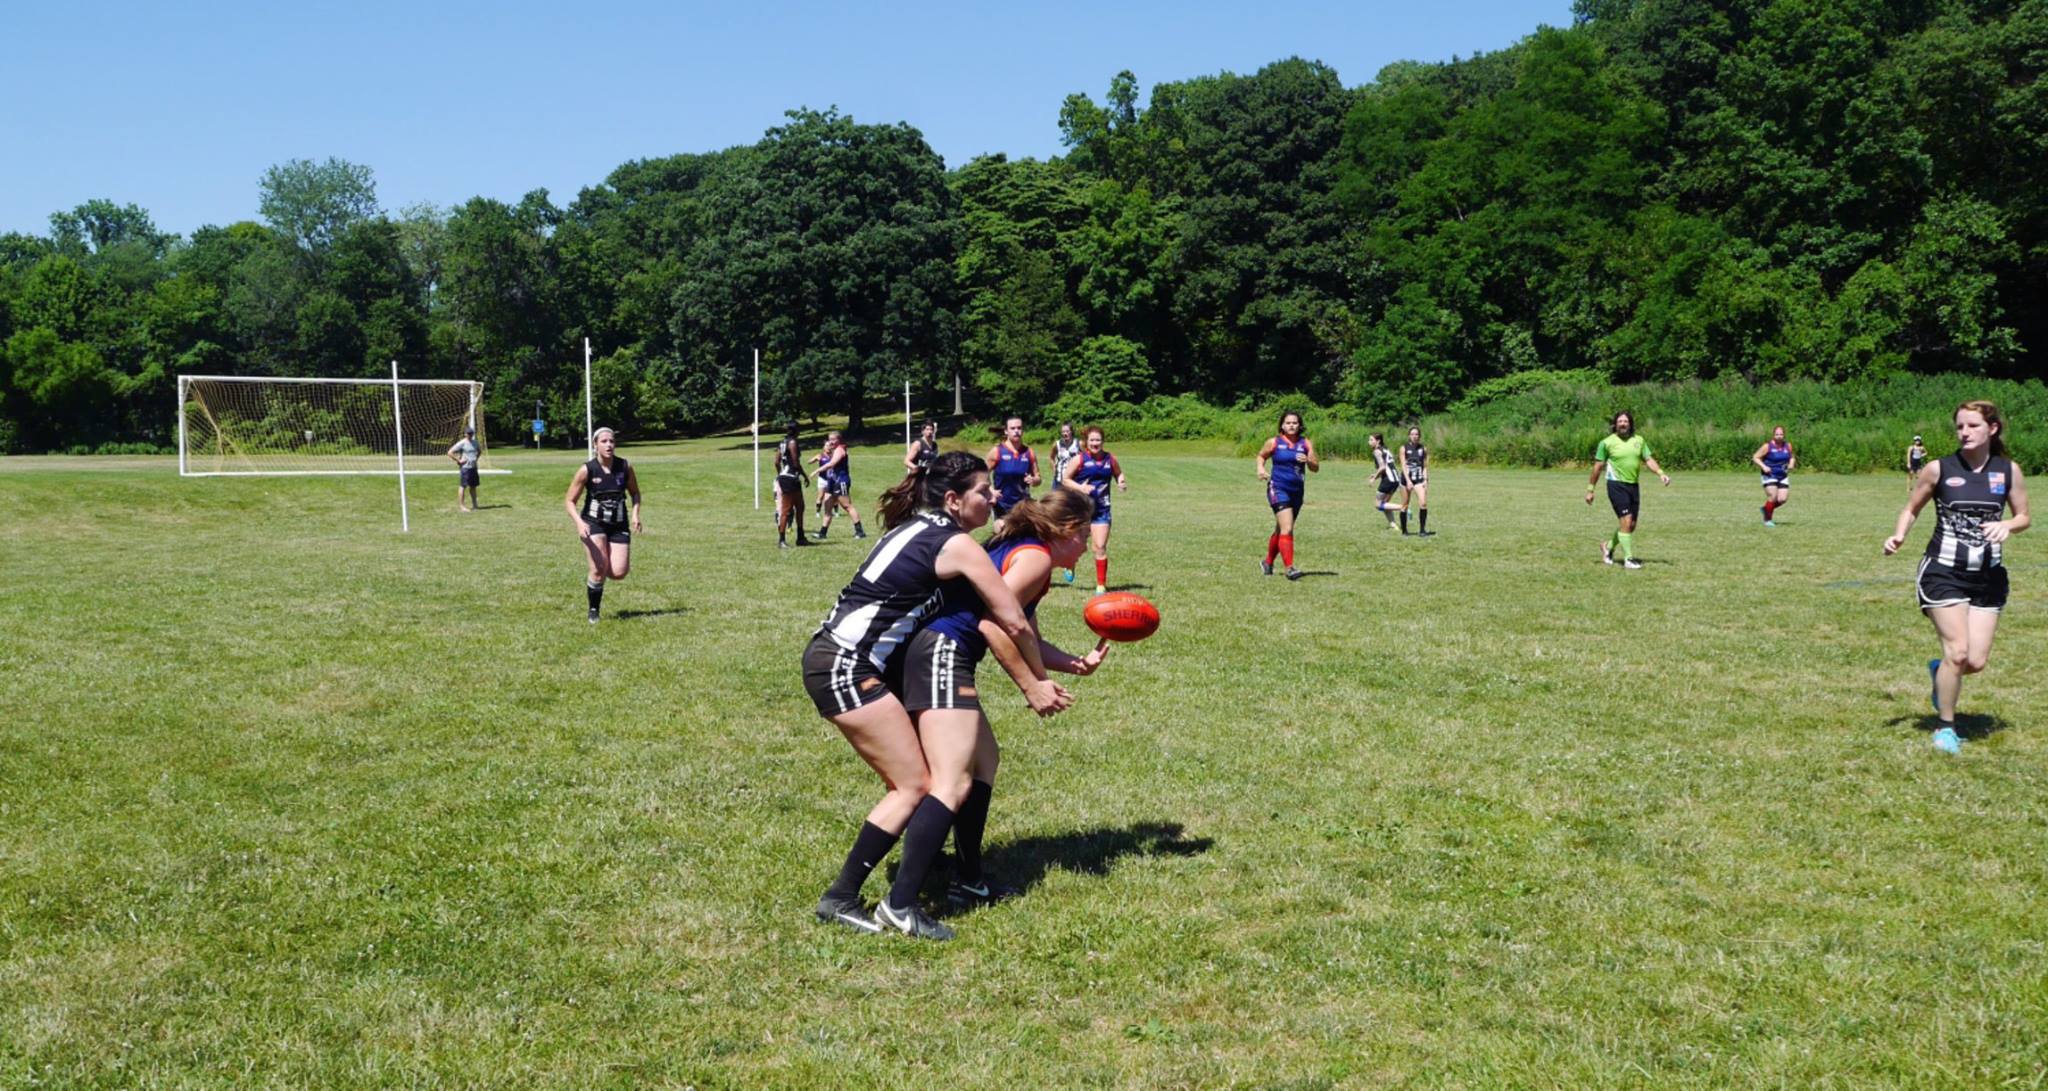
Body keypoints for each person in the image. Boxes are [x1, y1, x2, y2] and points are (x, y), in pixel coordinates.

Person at [803, 451, 1070, 939]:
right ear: (953, 499)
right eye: (983, 491)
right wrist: (1036, 682)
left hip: (837, 657)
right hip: (846, 665)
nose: (993, 496)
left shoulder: (914, 527)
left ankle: (940, 880)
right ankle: (860, 900)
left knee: (944, 775)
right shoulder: (955, 543)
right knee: (917, 786)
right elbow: (1010, 619)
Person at [887, 487, 1103, 926]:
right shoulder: (1036, 557)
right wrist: (1033, 687)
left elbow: (1026, 634)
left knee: (985, 761)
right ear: (1067, 530)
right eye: (1085, 536)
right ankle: (901, 903)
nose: (1088, 545)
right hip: (941, 651)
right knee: (952, 779)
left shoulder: (1026, 552)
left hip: (937, 652)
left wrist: (1073, 664)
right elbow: (994, 625)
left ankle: (968, 878)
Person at [1884, 400, 2030, 754]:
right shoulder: (1938, 468)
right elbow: (1911, 507)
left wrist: (2008, 525)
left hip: (1989, 577)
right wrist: (1899, 535)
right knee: (1958, 652)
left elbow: (2024, 516)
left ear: (1992, 429)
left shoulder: (2008, 471)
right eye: (1960, 426)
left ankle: (1941, 673)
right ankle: (1946, 727)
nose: (1965, 432)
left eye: (1973, 426)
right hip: (1943, 571)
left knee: (1974, 662)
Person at [565, 428, 642, 623]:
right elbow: (569, 501)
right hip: (593, 523)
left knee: (618, 572)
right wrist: (579, 523)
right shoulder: (587, 470)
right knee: (599, 569)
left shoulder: (624, 466)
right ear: (595, 445)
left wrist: (635, 515)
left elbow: (635, 493)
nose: (609, 445)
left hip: (618, 525)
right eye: (604, 441)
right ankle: (594, 610)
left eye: (612, 441)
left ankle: (600, 568)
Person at [1585, 411, 1669, 570]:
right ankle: (1628, 559)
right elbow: (1597, 467)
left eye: (1625, 421)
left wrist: (1661, 473)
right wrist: (1590, 490)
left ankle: (1608, 546)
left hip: (1633, 486)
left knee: (1631, 525)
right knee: (1626, 520)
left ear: (1630, 424)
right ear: (1615, 424)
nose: (1623, 424)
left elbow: (1648, 459)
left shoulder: (1639, 440)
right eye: (1620, 421)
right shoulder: (1606, 443)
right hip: (1616, 485)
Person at [1060, 425, 1127, 594]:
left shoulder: (1110, 459)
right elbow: (1065, 479)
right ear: (1086, 441)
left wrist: (1121, 482)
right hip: (1081, 509)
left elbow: (1118, 473)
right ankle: (1070, 565)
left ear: (1103, 441)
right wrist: (1081, 488)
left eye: (1098, 440)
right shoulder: (1080, 459)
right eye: (1092, 440)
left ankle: (1101, 585)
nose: (1095, 443)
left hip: (1102, 509)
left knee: (1100, 546)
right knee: (1076, 544)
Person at [1256, 411, 1319, 580]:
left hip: (1296, 492)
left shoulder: (1305, 443)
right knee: (1287, 528)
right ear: (1282, 425)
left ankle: (1268, 562)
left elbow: (1315, 468)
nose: (1291, 425)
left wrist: (1308, 460)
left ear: (1299, 425)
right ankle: (1289, 568)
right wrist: (1260, 469)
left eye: (1295, 423)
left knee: (1281, 529)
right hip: (1278, 488)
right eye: (1288, 423)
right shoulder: (1274, 442)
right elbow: (1261, 456)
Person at [985, 416, 1041, 522]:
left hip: (1023, 506)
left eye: (1019, 428)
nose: (1016, 431)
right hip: (1002, 505)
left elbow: (1038, 478)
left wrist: (1034, 480)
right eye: (1013, 428)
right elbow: (982, 474)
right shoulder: (997, 451)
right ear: (1006, 431)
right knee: (1004, 531)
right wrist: (991, 490)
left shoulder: (1029, 452)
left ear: (1023, 431)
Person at [814, 431, 866, 540]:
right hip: (832, 482)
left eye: (833, 439)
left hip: (841, 481)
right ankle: (822, 533)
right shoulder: (833, 450)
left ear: (839, 440)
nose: (831, 442)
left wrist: (817, 470)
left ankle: (860, 532)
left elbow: (832, 464)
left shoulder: (840, 450)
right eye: (830, 439)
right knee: (827, 507)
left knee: (847, 506)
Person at [1050, 423, 1082, 582]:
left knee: (1072, 520)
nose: (1065, 434)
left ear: (1072, 432)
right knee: (1057, 518)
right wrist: (1054, 468)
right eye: (1063, 432)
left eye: (1067, 431)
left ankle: (1070, 563)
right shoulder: (1057, 444)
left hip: (1074, 484)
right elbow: (1051, 457)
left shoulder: (1079, 444)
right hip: (1058, 483)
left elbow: (1086, 458)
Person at [775, 425, 812, 549]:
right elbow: (796, 462)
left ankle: (801, 537)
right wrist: (805, 476)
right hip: (790, 478)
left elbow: (776, 462)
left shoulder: (782, 442)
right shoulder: (792, 442)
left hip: (786, 477)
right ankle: (781, 540)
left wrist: (780, 474)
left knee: (800, 506)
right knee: (787, 510)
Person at [1752, 425, 1796, 526]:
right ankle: (1767, 520)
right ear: (1773, 435)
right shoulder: (1767, 446)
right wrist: (1763, 466)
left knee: (1782, 499)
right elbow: (1755, 457)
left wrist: (1791, 464)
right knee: (1773, 496)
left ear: (1784, 435)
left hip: (1783, 475)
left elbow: (1792, 457)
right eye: (1777, 434)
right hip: (1770, 474)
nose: (1779, 436)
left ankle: (1766, 509)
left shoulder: (1788, 445)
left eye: (1781, 434)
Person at [1399, 426, 1432, 536]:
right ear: (1409, 436)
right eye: (1412, 434)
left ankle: (1422, 530)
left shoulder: (1423, 449)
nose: (1414, 436)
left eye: (1416, 434)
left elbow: (1425, 466)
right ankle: (1404, 531)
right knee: (1405, 505)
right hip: (1406, 480)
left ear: (1419, 436)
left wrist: (1425, 479)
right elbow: (1403, 465)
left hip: (1419, 480)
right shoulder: (1403, 448)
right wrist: (1408, 481)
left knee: (1423, 503)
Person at [1369, 432, 1405, 530]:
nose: (1369, 442)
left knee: (1378, 505)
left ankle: (1403, 507)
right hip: (1395, 480)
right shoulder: (1385, 449)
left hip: (1388, 480)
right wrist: (1376, 475)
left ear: (1378, 441)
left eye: (1371, 440)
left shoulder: (1377, 451)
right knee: (1385, 504)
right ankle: (1393, 525)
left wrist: (1374, 478)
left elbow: (1382, 467)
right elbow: (1387, 467)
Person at [446, 426, 481, 512]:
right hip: (465, 469)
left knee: (473, 486)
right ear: (465, 434)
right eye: (468, 433)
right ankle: (462, 506)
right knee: (463, 486)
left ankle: (475, 505)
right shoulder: (462, 443)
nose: (470, 435)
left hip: (473, 468)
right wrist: (458, 460)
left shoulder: (475, 442)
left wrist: (475, 459)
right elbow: (450, 452)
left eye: (471, 433)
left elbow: (479, 451)